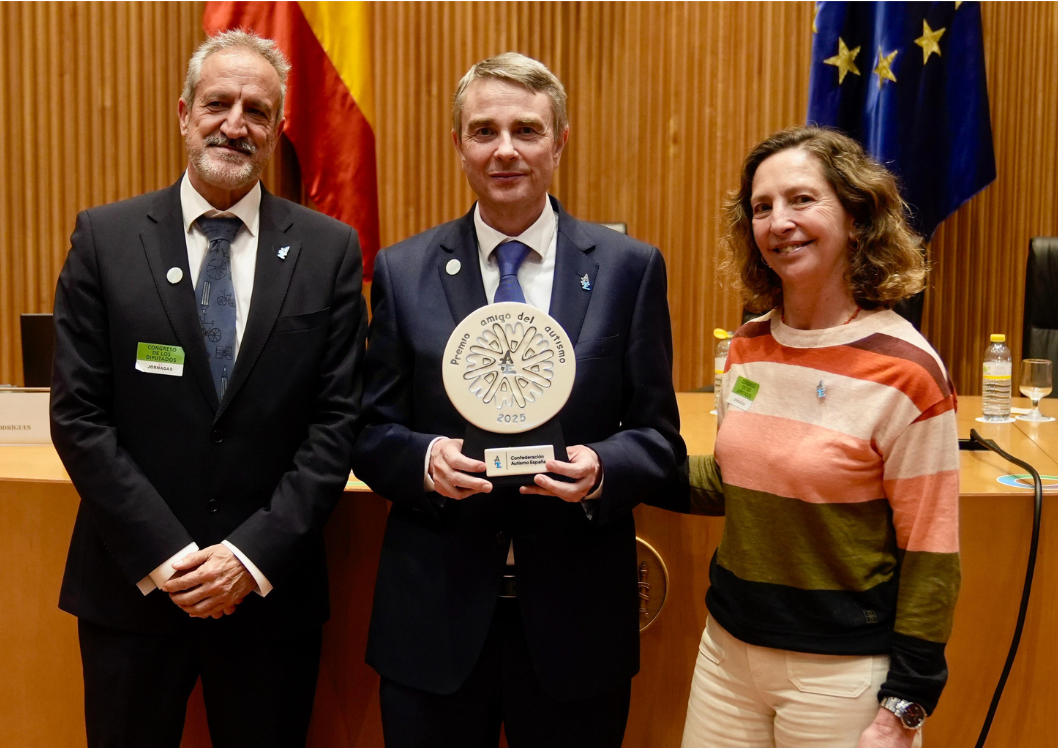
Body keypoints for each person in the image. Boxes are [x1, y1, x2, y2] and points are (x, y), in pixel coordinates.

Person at [351, 52, 685, 747]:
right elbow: (369, 428)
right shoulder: (402, 271)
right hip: (434, 622)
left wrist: (601, 470)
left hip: (576, 623)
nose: (505, 149)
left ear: (559, 142)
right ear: (459, 146)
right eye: (484, 131)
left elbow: (658, 438)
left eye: (527, 130)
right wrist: (423, 461)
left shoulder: (629, 270)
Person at [50, 30, 367, 747]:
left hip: (267, 599)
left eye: (257, 110)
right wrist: (170, 557)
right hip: (131, 591)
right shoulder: (105, 238)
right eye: (218, 103)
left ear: (279, 127)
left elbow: (336, 425)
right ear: (184, 114)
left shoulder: (329, 251)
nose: (235, 123)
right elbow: (79, 416)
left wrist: (246, 558)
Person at [660, 126, 959, 748]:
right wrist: (614, 467)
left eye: (802, 200)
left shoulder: (907, 370)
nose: (779, 222)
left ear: (856, 217)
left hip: (841, 676)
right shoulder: (748, 345)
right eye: (762, 207)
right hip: (727, 654)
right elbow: (736, 481)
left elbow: (931, 548)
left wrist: (906, 702)